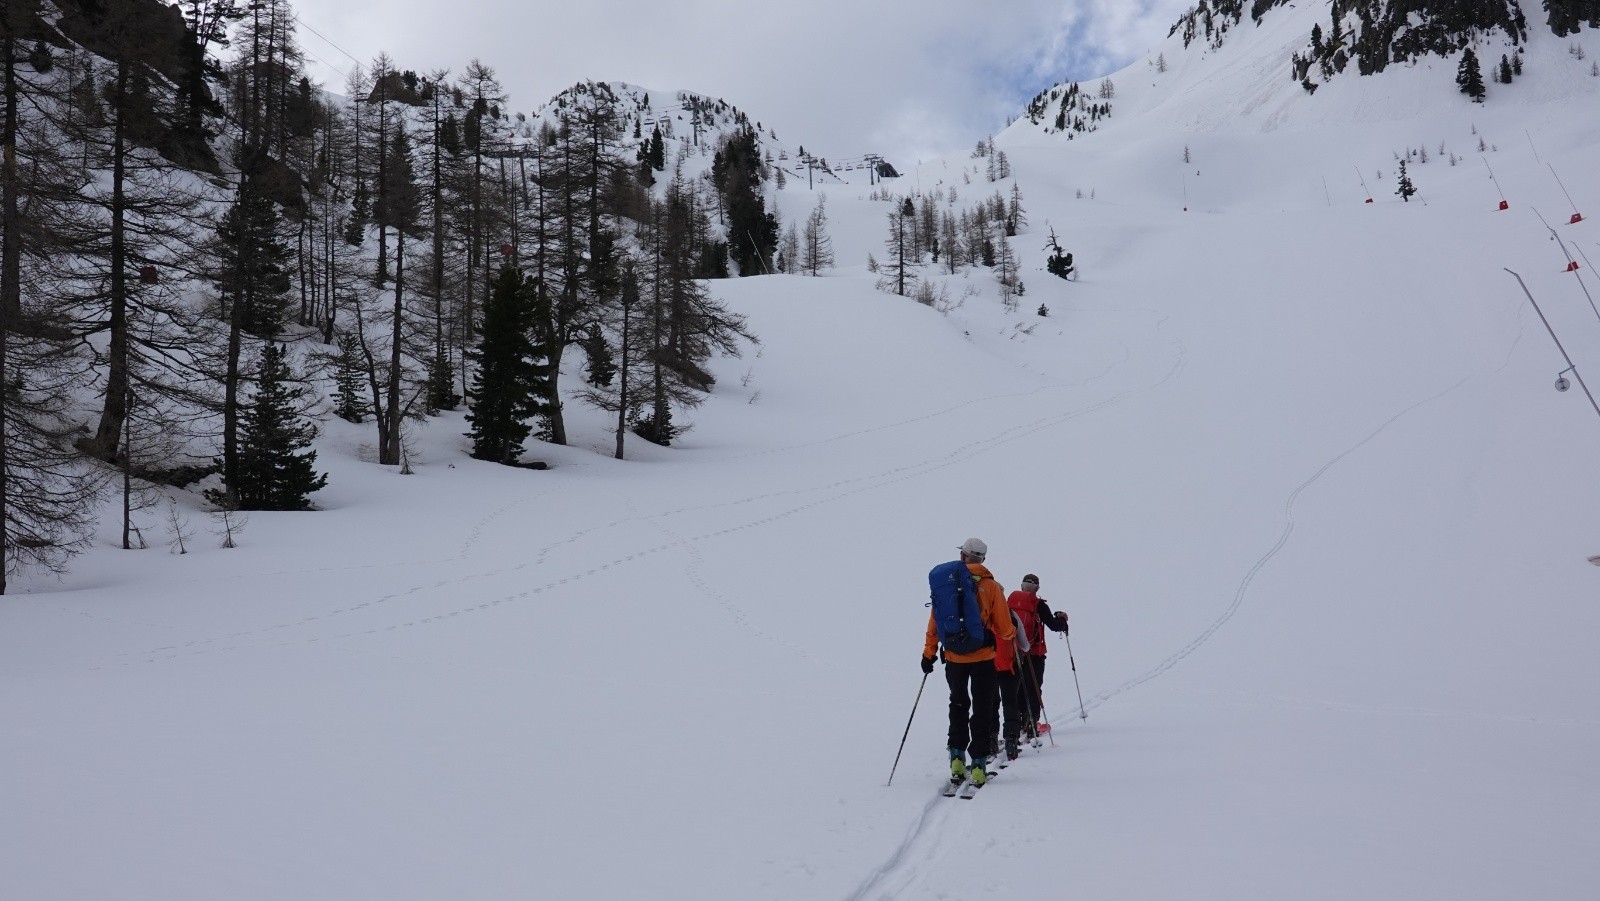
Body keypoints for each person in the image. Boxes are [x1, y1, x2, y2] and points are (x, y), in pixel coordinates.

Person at [921, 538, 1016, 786]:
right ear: (982, 560)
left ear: (963, 556)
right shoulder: (991, 586)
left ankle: (956, 757)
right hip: (983, 657)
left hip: (953, 657)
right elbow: (1005, 629)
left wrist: (928, 654)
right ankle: (978, 765)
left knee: (958, 704)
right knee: (983, 708)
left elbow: (935, 624)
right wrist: (1007, 633)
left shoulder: (947, 586)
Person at [1008, 573, 1069, 738]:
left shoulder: (1011, 602)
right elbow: (1053, 625)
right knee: (1034, 686)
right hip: (1035, 652)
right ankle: (1032, 720)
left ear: (1021, 586)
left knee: (1019, 686)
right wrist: (1063, 621)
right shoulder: (1039, 605)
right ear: (1037, 588)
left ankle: (1020, 720)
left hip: (1015, 651)